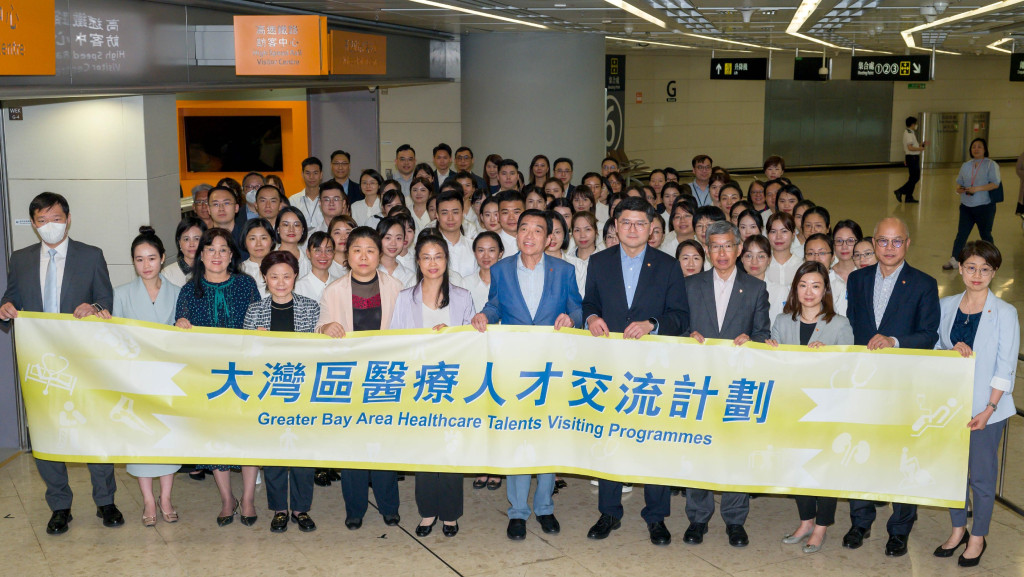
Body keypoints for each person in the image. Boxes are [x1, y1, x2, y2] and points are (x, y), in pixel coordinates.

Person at [1, 192, 121, 535]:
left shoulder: (90, 255)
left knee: (94, 427)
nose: (49, 226)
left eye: (55, 218)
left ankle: (105, 501)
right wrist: (5, 307)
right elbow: (12, 297)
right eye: (41, 220)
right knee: (45, 430)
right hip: (39, 362)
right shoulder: (20, 258)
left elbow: (105, 298)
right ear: (33, 224)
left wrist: (94, 308)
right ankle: (59, 505)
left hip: (84, 358)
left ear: (68, 219)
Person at [582, 197, 689, 546]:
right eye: (625, 222)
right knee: (610, 436)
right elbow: (590, 303)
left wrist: (652, 324)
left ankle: (656, 516)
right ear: (615, 225)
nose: (632, 229)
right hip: (611, 365)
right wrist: (591, 318)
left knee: (654, 441)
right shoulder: (599, 262)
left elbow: (680, 316)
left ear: (652, 228)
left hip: (652, 369)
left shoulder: (668, 266)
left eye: (640, 223)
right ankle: (609, 511)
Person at [471, 208, 582, 540]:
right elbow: (495, 305)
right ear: (516, 234)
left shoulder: (564, 270)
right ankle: (517, 511)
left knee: (547, 436)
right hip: (515, 365)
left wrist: (572, 319)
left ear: (548, 238)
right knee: (518, 435)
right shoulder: (501, 269)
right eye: (524, 229)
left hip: (551, 367)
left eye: (537, 230)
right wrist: (484, 315)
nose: (529, 235)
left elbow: (577, 307)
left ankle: (545, 507)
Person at [842, 217, 939, 557]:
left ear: (908, 244)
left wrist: (894, 341)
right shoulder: (857, 279)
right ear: (873, 242)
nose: (889, 248)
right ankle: (860, 521)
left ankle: (899, 529)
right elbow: (851, 325)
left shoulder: (924, 284)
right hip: (863, 384)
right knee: (861, 453)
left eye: (897, 241)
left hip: (903, 386)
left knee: (902, 457)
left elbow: (929, 335)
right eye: (882, 241)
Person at [684, 220, 770, 549]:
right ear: (707, 250)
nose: (722, 253)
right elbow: (678, 327)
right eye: (715, 246)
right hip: (700, 381)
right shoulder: (691, 285)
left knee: (736, 449)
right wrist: (687, 336)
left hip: (738, 382)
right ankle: (698, 517)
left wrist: (753, 340)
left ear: (738, 248)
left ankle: (735, 519)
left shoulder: (755, 288)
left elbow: (763, 333)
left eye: (728, 246)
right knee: (699, 446)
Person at [933, 240, 1018, 568]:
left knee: (981, 477)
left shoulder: (1005, 313)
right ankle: (958, 529)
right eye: (971, 267)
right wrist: (950, 350)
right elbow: (935, 348)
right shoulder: (946, 305)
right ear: (960, 268)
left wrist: (989, 409)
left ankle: (978, 536)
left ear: (994, 273)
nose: (977, 275)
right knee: (952, 472)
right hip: (950, 404)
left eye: (985, 269)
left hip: (987, 408)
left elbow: (1005, 367)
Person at [316, 227, 403, 529]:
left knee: (383, 442)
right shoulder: (333, 291)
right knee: (351, 444)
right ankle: (355, 509)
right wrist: (325, 328)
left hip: (384, 376)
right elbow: (318, 327)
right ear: (347, 254)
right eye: (357, 250)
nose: (363, 256)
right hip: (349, 378)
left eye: (370, 250)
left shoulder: (396, 287)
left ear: (380, 255)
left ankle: (389, 506)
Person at [174, 228, 261, 527]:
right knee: (216, 438)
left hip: (245, 375)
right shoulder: (189, 290)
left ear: (232, 255)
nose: (217, 255)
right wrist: (180, 325)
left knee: (248, 435)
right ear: (200, 255)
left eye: (223, 249)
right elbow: (180, 338)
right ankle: (227, 498)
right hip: (208, 378)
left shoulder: (246, 285)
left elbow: (257, 324)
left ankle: (247, 498)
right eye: (210, 249)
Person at [766, 261, 854, 554]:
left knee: (823, 467)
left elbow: (850, 369)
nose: (809, 292)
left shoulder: (839, 324)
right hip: (792, 406)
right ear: (795, 289)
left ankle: (821, 527)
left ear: (825, 290)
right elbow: (773, 366)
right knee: (798, 464)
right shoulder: (782, 321)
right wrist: (769, 351)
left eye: (816, 286)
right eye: (803, 285)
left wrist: (829, 356)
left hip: (827, 408)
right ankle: (805, 522)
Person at [392, 234, 475, 538]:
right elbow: (395, 339)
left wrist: (452, 334)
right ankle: (427, 511)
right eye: (426, 257)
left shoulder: (463, 296)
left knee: (451, 449)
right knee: (425, 449)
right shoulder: (405, 297)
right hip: (418, 383)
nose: (432, 263)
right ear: (417, 261)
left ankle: (450, 514)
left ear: (446, 260)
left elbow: (473, 340)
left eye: (438, 256)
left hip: (452, 382)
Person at [242, 250, 320, 533]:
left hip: (303, 391)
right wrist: (256, 344)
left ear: (295, 276)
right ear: (264, 277)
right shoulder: (255, 311)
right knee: (273, 453)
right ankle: (278, 509)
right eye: (274, 276)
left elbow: (320, 353)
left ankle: (300, 509)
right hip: (269, 393)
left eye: (286, 276)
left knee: (303, 453)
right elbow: (244, 356)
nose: (281, 282)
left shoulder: (311, 307)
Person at [113, 227, 183, 527]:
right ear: (133, 262)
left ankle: (165, 498)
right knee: (141, 438)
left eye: (152, 258)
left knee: (166, 438)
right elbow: (115, 338)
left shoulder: (178, 292)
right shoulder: (121, 294)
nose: (146, 265)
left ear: (163, 258)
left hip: (168, 377)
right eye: (139, 259)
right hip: (136, 377)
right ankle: (147, 500)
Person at [943, 138, 1000, 271]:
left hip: (984, 206)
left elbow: (995, 184)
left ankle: (991, 260)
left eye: (979, 146)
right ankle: (954, 259)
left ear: (985, 149)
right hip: (966, 206)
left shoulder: (991, 165)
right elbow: (959, 183)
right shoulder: (966, 165)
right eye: (973, 147)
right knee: (961, 234)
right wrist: (959, 189)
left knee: (985, 235)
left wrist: (977, 189)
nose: (976, 149)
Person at [435, 189, 477, 278]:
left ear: (462, 214)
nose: (450, 218)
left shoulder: (474, 248)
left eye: (455, 212)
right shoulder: (430, 250)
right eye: (445, 213)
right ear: (437, 216)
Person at [803, 233, 848, 315]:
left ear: (833, 256)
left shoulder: (840, 286)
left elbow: (842, 318)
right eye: (810, 253)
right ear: (804, 257)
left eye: (822, 253)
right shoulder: (798, 283)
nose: (816, 258)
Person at [162, 216, 207, 287]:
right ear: (179, 242)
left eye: (196, 239)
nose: (191, 244)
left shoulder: (211, 269)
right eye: (186, 239)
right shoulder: (167, 274)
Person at [294, 232, 338, 302]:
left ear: (333, 253)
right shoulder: (298, 288)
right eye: (318, 250)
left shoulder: (341, 285)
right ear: (308, 253)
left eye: (328, 250)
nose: (323, 255)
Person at [240, 218, 276, 298]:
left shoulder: (282, 268)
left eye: (263, 238)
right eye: (252, 239)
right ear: (245, 242)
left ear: (272, 241)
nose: (258, 244)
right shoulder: (238, 271)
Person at [376, 217, 416, 287]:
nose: (393, 243)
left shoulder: (410, 276)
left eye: (398, 238)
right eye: (388, 238)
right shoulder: (368, 271)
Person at [287, 157, 325, 232]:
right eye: (308, 173)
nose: (311, 177)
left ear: (321, 175)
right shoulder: (293, 200)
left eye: (315, 173)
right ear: (302, 174)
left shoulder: (327, 200)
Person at [894, 116, 926, 203]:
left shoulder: (910, 133)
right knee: (915, 177)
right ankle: (900, 191)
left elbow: (911, 146)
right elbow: (910, 148)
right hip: (912, 157)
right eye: (915, 123)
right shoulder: (908, 134)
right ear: (912, 124)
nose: (916, 125)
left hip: (912, 157)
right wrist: (920, 149)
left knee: (913, 178)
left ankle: (909, 197)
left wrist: (921, 145)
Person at [765, 212, 800, 289]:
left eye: (784, 231)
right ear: (767, 234)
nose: (778, 237)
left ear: (793, 234)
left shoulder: (801, 265)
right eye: (773, 231)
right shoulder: (761, 264)